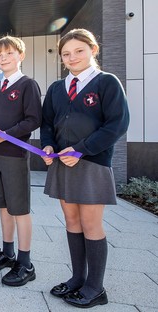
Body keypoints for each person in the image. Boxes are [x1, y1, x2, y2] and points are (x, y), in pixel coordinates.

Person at [41, 28, 129, 308]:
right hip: (62, 164)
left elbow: (117, 124)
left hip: (91, 163)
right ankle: (77, 278)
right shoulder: (57, 88)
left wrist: (82, 150)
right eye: (66, 54)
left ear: (93, 50)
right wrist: (48, 147)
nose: (72, 57)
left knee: (91, 224)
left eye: (79, 50)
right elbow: (47, 124)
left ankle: (96, 287)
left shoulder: (107, 83)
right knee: (71, 222)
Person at [0, 36, 42, 286]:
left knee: (19, 208)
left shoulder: (28, 85)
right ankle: (7, 252)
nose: (3, 58)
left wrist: (7, 134)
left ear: (20, 56)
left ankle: (25, 262)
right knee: (3, 206)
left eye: (9, 53)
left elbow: (33, 119)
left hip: (15, 155)